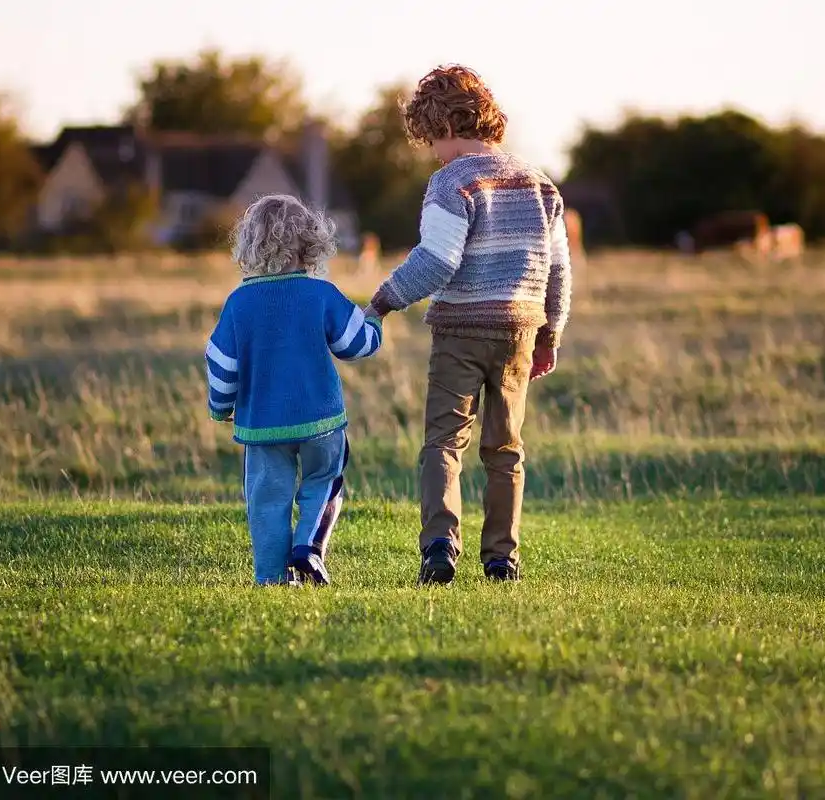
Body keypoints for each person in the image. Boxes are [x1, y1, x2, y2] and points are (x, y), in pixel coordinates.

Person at [366, 64, 573, 585]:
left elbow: (437, 260)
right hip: (519, 332)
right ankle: (502, 556)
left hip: (460, 329)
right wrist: (550, 333)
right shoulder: (539, 184)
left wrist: (386, 299)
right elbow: (558, 270)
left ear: (443, 127)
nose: (433, 153)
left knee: (444, 441)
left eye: (431, 140)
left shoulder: (451, 181)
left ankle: (440, 546)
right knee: (505, 448)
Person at [206, 194, 384, 586]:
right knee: (324, 478)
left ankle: (271, 577)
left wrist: (220, 408)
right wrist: (375, 324)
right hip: (321, 420)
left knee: (267, 500)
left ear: (249, 246)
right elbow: (356, 345)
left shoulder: (239, 303)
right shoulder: (320, 293)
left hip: (262, 426)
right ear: (311, 244)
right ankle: (308, 546)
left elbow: (221, 365)